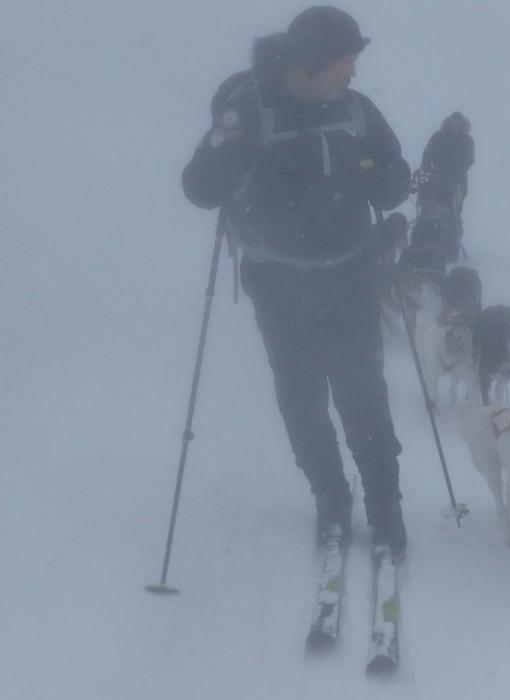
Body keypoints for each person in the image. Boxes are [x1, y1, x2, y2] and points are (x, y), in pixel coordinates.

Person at [181, 6, 413, 555]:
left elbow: (395, 174)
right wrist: (225, 147)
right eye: (346, 61)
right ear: (312, 62)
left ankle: (385, 504)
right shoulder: (248, 110)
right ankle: (330, 494)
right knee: (301, 397)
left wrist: (381, 180)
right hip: (278, 282)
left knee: (363, 396)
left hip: (350, 273)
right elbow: (198, 188)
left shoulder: (356, 111)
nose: (353, 72)